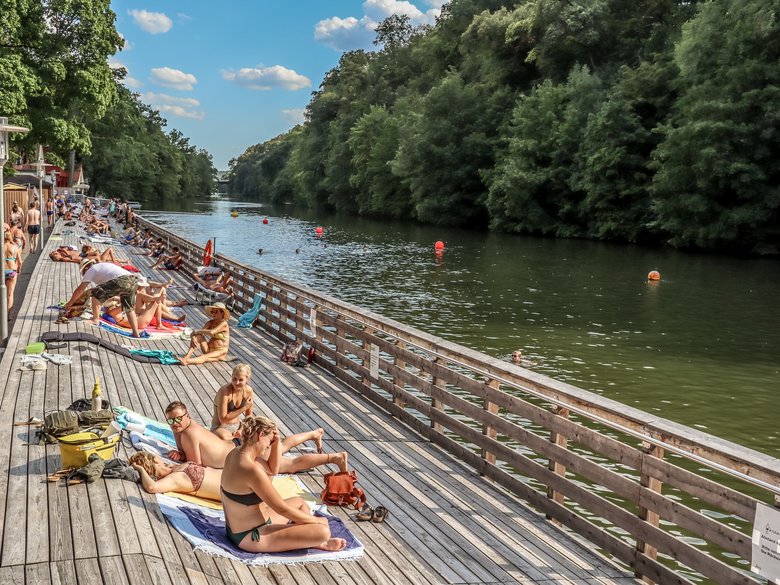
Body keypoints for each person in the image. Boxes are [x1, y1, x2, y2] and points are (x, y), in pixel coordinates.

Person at [220, 416, 346, 553]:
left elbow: (273, 470)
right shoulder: (252, 470)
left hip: (241, 527)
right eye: (269, 440)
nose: (269, 445)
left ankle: (305, 538)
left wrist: (276, 443)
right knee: (323, 531)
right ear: (261, 435)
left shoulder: (236, 453)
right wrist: (315, 521)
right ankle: (317, 541)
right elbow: (282, 509)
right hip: (251, 536)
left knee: (299, 502)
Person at [62, 259, 142, 337]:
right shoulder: (101, 268)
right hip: (133, 280)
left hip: (122, 280)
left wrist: (70, 303)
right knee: (129, 308)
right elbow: (107, 292)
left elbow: (80, 289)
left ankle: (95, 319)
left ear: (86, 268)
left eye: (83, 273)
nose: (84, 275)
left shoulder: (91, 269)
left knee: (96, 293)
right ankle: (135, 333)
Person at [165, 401, 235, 468]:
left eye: (178, 419)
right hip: (232, 448)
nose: (174, 423)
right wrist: (180, 455)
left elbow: (195, 467)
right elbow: (183, 453)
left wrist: (173, 467)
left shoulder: (189, 433)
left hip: (236, 455)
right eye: (170, 420)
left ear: (187, 415)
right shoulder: (180, 428)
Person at [129, 452, 222, 500]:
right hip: (232, 488)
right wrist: (140, 469)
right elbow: (152, 487)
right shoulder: (175, 478)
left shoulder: (172, 469)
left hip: (228, 475)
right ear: (155, 459)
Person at [211, 363, 255, 440]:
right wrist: (244, 408)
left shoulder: (248, 391)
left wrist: (241, 429)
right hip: (219, 427)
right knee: (226, 438)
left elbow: (249, 415)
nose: (236, 382)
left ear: (247, 379)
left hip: (238, 426)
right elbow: (223, 419)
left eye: (241, 380)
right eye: (234, 379)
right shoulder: (225, 391)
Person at [4, 231, 22, 315]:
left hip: (2, 271)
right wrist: (19, 270)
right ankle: (7, 315)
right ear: (11, 237)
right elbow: (20, 262)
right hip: (12, 271)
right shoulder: (15, 247)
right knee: (10, 295)